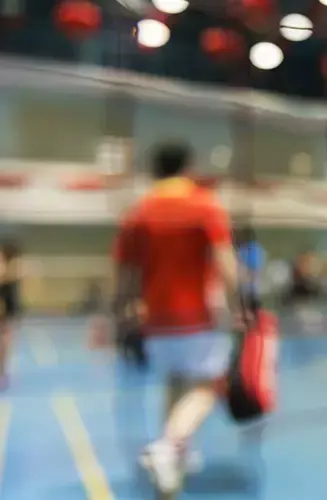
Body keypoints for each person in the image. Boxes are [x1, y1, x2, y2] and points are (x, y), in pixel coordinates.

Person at [109, 142, 242, 494]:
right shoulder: (204, 205)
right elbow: (226, 261)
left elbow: (126, 273)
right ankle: (169, 447)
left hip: (156, 321)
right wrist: (239, 306)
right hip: (199, 318)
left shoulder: (138, 212)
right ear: (189, 168)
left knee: (175, 384)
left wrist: (119, 312)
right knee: (210, 386)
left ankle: (172, 472)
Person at [0, 239, 22, 388]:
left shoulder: (11, 276)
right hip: (4, 316)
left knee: (5, 345)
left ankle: (3, 373)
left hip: (7, 317)